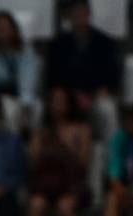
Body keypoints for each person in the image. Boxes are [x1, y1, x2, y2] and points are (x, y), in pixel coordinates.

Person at [46, 0, 122, 143]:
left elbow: (113, 77)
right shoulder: (58, 44)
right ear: (69, 16)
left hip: (95, 97)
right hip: (67, 97)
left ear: (89, 14)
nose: (79, 15)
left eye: (82, 12)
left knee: (108, 108)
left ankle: (111, 158)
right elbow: (52, 78)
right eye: (75, 12)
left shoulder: (104, 43)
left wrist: (95, 94)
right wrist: (72, 95)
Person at [27, 87, 92, 216]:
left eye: (61, 101)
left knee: (65, 207)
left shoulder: (82, 130)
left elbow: (83, 164)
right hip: (46, 185)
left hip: (73, 186)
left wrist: (62, 147)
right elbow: (33, 164)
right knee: (35, 206)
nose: (57, 105)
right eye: (54, 101)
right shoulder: (40, 132)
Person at [0, 11, 39, 134]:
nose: (3, 31)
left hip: (19, 98)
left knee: (26, 112)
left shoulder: (26, 51)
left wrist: (25, 102)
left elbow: (28, 79)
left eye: (6, 27)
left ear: (14, 29)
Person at [103, 103, 133, 216]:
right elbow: (114, 176)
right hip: (126, 189)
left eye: (131, 122)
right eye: (126, 121)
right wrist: (126, 194)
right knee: (112, 199)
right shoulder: (119, 139)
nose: (127, 125)